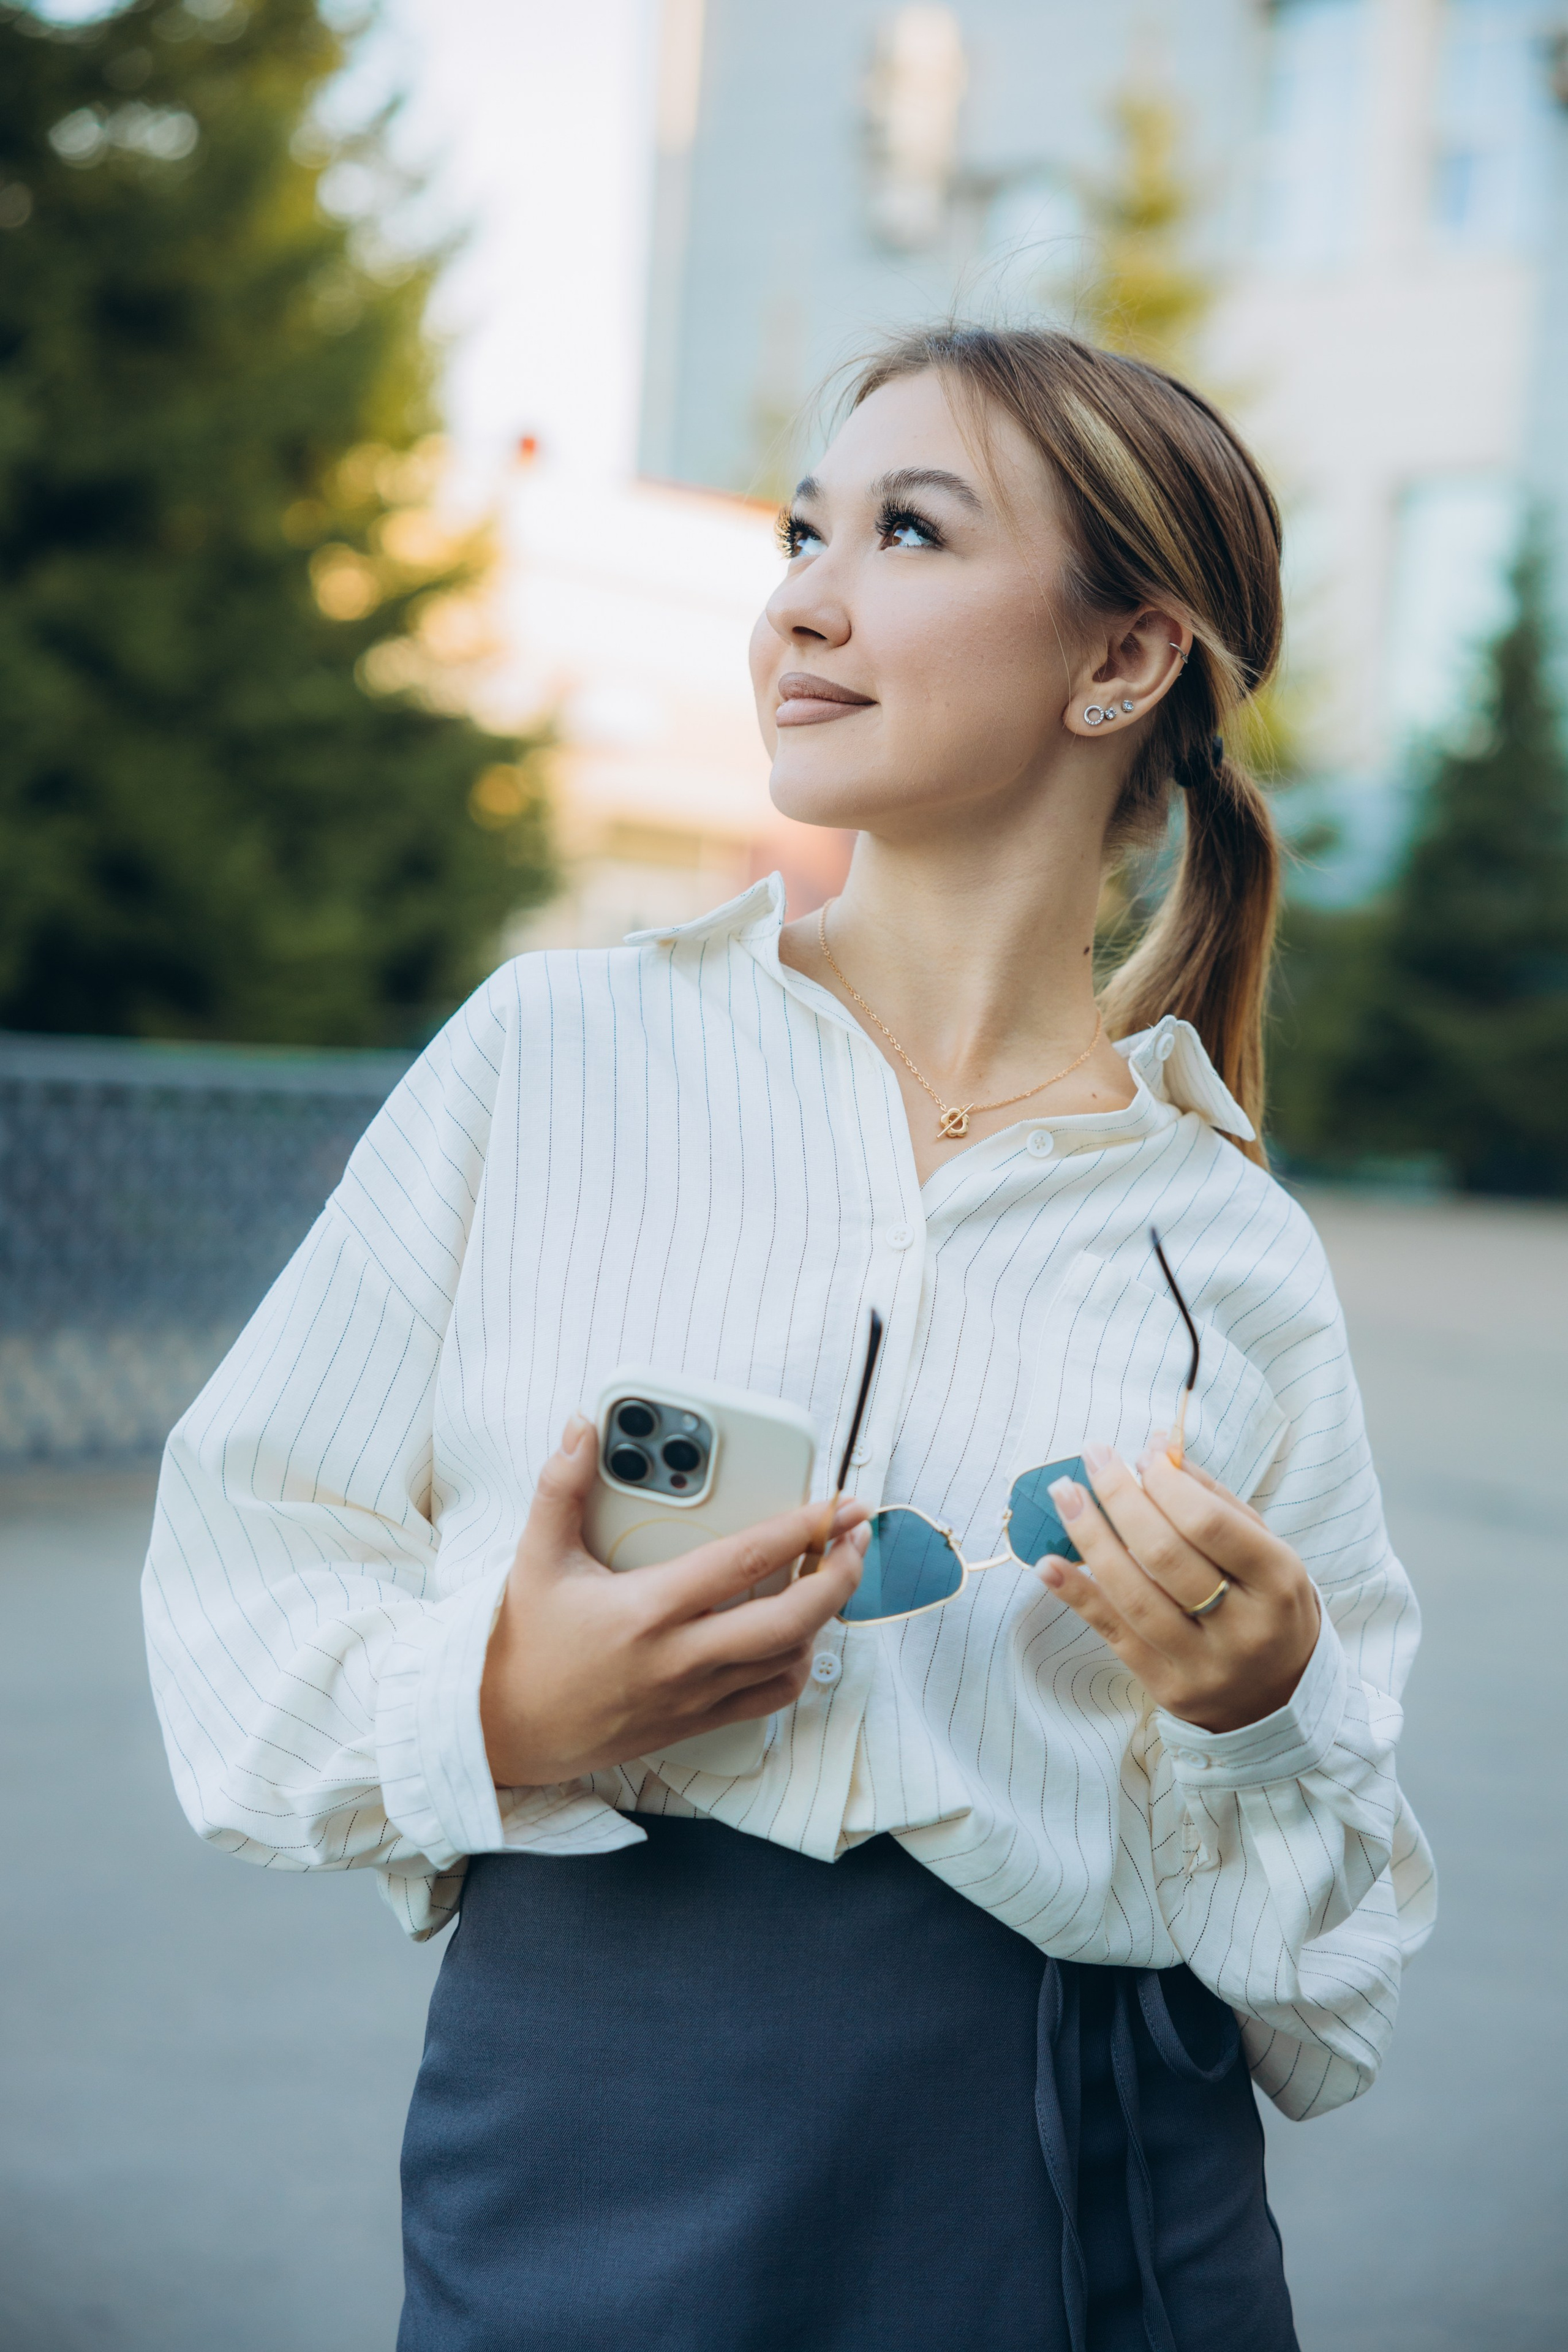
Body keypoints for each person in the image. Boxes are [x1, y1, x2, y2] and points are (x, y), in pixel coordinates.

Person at [143, 325, 1434, 2352]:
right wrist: (501, 1706)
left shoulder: (1228, 1242)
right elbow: (242, 1586)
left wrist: (1263, 1708)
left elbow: (1326, 1982)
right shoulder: (550, 1057)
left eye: (908, 533)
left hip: (1093, 2186)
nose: (803, 605)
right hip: (588, 2133)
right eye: (799, 534)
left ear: (1123, 658)